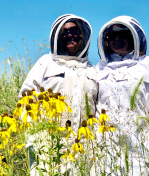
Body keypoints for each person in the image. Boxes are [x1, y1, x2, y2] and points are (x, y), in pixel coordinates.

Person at [19, 14, 98, 175]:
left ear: (83, 35)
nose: (69, 35)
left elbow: (97, 107)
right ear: (57, 37)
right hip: (49, 147)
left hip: (82, 149)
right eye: (64, 32)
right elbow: (25, 99)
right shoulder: (45, 63)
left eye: (74, 31)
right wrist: (34, 140)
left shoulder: (92, 69)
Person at [96, 16, 149, 175]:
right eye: (112, 36)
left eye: (122, 34)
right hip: (106, 149)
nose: (117, 39)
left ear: (133, 37)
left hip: (141, 146)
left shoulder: (146, 65)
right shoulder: (98, 69)